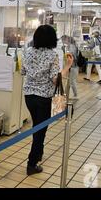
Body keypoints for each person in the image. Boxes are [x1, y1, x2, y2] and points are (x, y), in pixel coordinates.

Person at [22, 25, 74, 175]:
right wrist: (68, 66)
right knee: (40, 130)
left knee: (37, 126)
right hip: (43, 98)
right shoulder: (52, 55)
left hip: (29, 96)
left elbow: (23, 71)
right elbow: (55, 80)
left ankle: (38, 153)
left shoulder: (28, 52)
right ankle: (32, 164)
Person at [61, 35, 80, 100]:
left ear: (66, 40)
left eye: (63, 40)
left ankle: (75, 95)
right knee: (69, 81)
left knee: (72, 81)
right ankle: (67, 94)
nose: (62, 42)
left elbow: (71, 56)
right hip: (71, 67)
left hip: (73, 66)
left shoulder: (71, 47)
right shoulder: (70, 46)